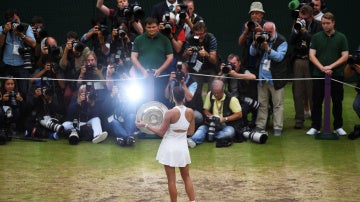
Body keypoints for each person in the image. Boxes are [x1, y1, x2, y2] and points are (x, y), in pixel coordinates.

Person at [135, 86, 196, 202]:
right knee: (186, 177)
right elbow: (191, 132)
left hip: (169, 148)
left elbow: (161, 133)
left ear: (173, 97)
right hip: (182, 148)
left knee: (171, 180)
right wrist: (180, 131)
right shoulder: (190, 112)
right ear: (184, 97)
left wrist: (146, 125)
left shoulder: (169, 113)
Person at [306, 12, 349, 136]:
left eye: (327, 23)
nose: (325, 26)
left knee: (337, 101)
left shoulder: (342, 37)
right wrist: (322, 68)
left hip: (337, 75)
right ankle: (315, 126)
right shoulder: (316, 37)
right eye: (323, 23)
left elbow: (345, 56)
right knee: (317, 101)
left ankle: (338, 126)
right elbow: (311, 55)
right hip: (318, 74)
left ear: (333, 23)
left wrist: (330, 67)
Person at [250, 21, 288, 136]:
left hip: (275, 78)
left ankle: (277, 128)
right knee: (262, 104)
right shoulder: (262, 38)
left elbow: (280, 57)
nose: (268, 34)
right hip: (262, 77)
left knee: (277, 104)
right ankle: (260, 126)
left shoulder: (282, 41)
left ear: (274, 30)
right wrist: (255, 43)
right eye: (266, 31)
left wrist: (268, 49)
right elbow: (252, 53)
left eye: (270, 32)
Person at [289, 5, 322, 129]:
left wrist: (305, 32)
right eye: (300, 16)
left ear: (311, 16)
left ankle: (315, 121)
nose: (302, 19)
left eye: (305, 17)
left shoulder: (318, 25)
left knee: (312, 92)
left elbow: (316, 42)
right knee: (297, 92)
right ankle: (299, 120)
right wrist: (296, 29)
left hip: (312, 61)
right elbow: (291, 41)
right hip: (298, 60)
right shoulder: (297, 24)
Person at [187, 79, 242, 147]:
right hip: (212, 124)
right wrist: (211, 117)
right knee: (201, 128)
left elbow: (239, 114)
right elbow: (205, 110)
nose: (216, 94)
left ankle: (208, 136)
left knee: (230, 132)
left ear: (223, 90)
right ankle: (192, 140)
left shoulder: (232, 99)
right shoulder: (210, 94)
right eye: (214, 92)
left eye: (218, 92)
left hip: (225, 125)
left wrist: (225, 119)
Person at [131, 17, 173, 103]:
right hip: (142, 77)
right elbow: (133, 57)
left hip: (160, 77)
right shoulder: (139, 39)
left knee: (160, 101)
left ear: (158, 27)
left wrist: (160, 70)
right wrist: (143, 71)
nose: (151, 29)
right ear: (145, 28)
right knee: (140, 102)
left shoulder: (165, 39)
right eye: (149, 27)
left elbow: (170, 57)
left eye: (154, 27)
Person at [0, 9, 36, 99]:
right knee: (5, 91)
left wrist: (22, 35)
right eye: (12, 21)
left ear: (19, 18)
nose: (14, 23)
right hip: (7, 64)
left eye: (16, 20)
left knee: (24, 91)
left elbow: (33, 44)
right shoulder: (2, 28)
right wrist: (4, 32)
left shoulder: (26, 27)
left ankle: (23, 111)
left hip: (22, 65)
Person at [218, 54, 257, 129]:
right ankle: (231, 125)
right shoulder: (228, 71)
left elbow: (253, 77)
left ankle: (245, 126)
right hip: (232, 99)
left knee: (242, 109)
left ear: (239, 63)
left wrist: (236, 75)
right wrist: (221, 71)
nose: (232, 65)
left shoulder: (243, 70)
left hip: (244, 99)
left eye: (234, 63)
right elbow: (216, 83)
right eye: (230, 63)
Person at [182, 21, 218, 94]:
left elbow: (214, 60)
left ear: (205, 32)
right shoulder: (190, 38)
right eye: (197, 34)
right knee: (196, 90)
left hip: (210, 67)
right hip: (195, 68)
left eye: (201, 34)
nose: (199, 36)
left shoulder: (211, 38)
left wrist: (206, 54)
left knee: (212, 90)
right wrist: (187, 53)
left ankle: (210, 104)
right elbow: (183, 58)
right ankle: (196, 104)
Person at [164, 61, 203, 127]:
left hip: (187, 109)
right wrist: (169, 82)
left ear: (187, 72)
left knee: (198, 116)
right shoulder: (174, 79)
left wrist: (183, 83)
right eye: (178, 69)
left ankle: (185, 128)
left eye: (182, 70)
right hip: (174, 108)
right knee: (162, 113)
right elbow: (167, 96)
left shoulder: (193, 82)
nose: (179, 72)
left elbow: (189, 98)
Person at [59, 31, 90, 106]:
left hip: (82, 77)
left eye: (74, 42)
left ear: (78, 41)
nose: (73, 44)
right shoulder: (63, 48)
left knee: (76, 96)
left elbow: (84, 65)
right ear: (67, 41)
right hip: (70, 77)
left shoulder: (84, 48)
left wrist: (77, 53)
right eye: (70, 42)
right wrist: (66, 50)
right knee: (66, 96)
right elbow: (62, 66)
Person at [344, 45, 360, 119]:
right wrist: (349, 63)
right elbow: (347, 74)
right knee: (356, 105)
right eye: (358, 53)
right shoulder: (357, 61)